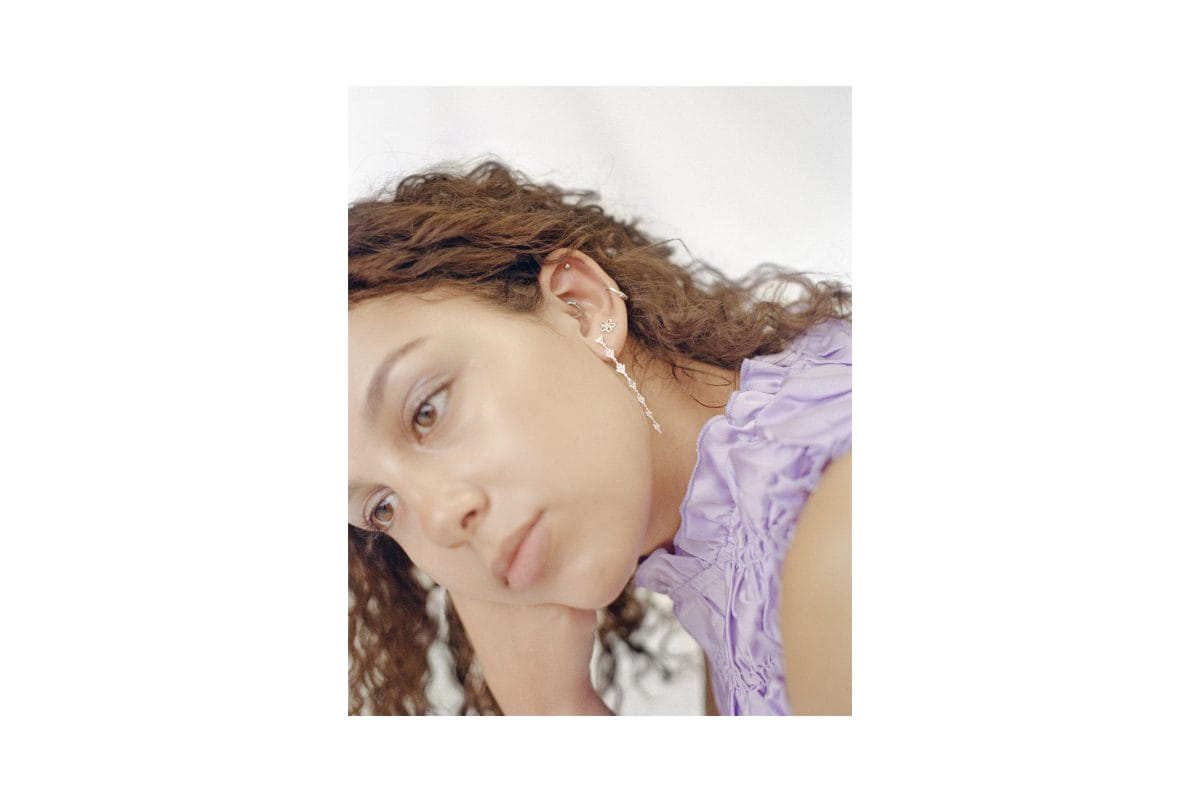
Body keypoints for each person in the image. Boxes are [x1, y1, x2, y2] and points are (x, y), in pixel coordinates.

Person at [348, 160, 851, 715]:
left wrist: (549, 712)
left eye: (427, 410)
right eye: (382, 507)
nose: (439, 521)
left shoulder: (837, 537)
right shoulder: (736, 582)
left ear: (581, 306)